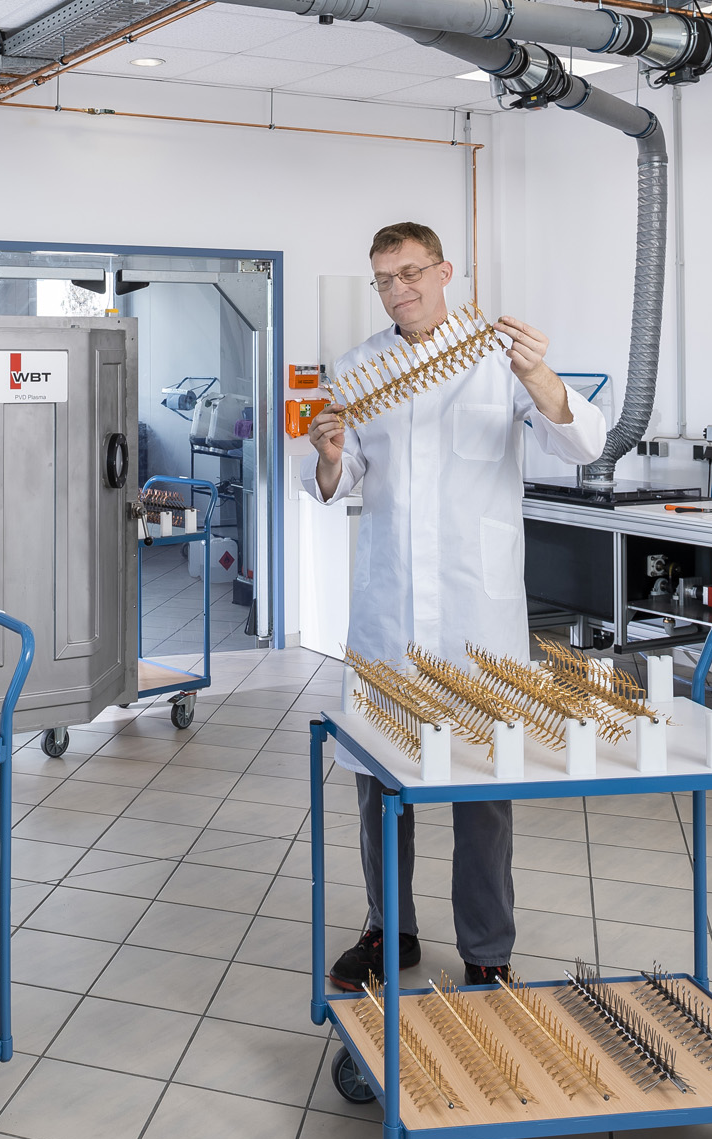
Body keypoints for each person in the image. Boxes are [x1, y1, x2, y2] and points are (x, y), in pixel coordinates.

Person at [303, 222, 605, 990]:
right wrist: (330, 457)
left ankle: (487, 948)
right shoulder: (359, 367)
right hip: (391, 613)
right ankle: (389, 930)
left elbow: (583, 445)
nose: (397, 289)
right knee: (380, 783)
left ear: (444, 272)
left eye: (410, 272)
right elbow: (341, 478)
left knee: (482, 789)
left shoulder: (499, 357)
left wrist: (540, 375)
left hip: (477, 616)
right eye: (384, 278)